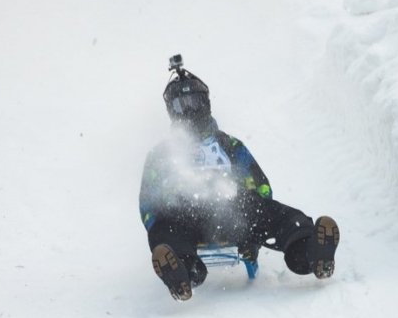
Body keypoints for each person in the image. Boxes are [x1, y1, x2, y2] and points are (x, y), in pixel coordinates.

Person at [139, 55, 340, 301]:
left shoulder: (229, 145)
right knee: (164, 230)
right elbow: (148, 203)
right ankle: (181, 272)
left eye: (194, 102)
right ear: (172, 112)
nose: (189, 110)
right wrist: (165, 209)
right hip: (186, 217)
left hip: (234, 211)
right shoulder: (163, 154)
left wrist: (251, 202)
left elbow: (262, 185)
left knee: (279, 215)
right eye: (181, 106)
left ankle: (310, 251)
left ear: (205, 103)